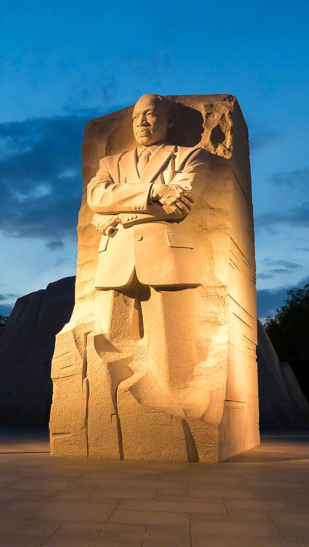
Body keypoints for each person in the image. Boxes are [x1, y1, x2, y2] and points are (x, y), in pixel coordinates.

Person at [83, 93, 221, 460]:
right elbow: (97, 198)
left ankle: (176, 408)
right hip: (116, 263)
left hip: (167, 259)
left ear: (168, 122)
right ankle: (112, 413)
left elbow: (181, 206)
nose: (143, 122)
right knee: (109, 344)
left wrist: (121, 214)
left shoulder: (191, 156)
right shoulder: (111, 162)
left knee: (170, 350)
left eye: (152, 116)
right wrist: (153, 192)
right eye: (137, 117)